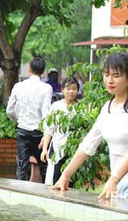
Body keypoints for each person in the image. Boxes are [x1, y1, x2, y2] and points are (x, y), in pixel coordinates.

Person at [52, 52, 128, 199]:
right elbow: (88, 143)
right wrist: (65, 175)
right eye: (106, 74)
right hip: (119, 186)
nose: (109, 80)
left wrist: (114, 179)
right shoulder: (108, 108)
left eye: (116, 75)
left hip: (119, 182)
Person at [6, 57, 53, 182]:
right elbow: (46, 114)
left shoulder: (18, 86)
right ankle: (46, 194)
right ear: (43, 71)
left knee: (21, 166)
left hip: (23, 131)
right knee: (44, 166)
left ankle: (19, 194)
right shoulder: (46, 88)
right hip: (39, 133)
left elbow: (9, 110)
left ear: (29, 69)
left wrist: (18, 120)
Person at [40, 77, 79, 185]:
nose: (71, 91)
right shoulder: (56, 106)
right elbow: (49, 129)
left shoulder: (80, 108)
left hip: (73, 150)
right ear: (62, 89)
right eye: (68, 88)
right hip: (57, 147)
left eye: (74, 89)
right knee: (54, 178)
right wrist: (44, 149)